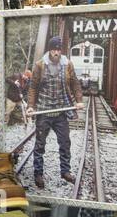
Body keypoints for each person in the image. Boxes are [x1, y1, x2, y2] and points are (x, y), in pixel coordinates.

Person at [25, 35, 83, 189]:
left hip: (60, 112)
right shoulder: (40, 65)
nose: (56, 52)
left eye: (58, 49)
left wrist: (78, 100)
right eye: (53, 50)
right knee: (40, 145)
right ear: (49, 51)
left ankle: (65, 171)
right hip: (44, 111)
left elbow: (75, 83)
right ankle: (38, 173)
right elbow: (33, 87)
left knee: (65, 143)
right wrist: (31, 106)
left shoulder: (68, 64)